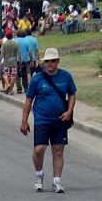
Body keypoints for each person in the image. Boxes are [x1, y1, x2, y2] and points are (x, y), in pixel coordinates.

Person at [20, 48, 76, 193]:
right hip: (42, 120)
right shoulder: (37, 79)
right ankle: (39, 174)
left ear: (58, 62)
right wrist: (24, 121)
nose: (50, 64)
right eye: (47, 61)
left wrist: (69, 111)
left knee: (58, 150)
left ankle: (57, 181)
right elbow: (28, 101)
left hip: (60, 119)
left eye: (53, 61)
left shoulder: (66, 76)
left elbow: (72, 94)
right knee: (39, 150)